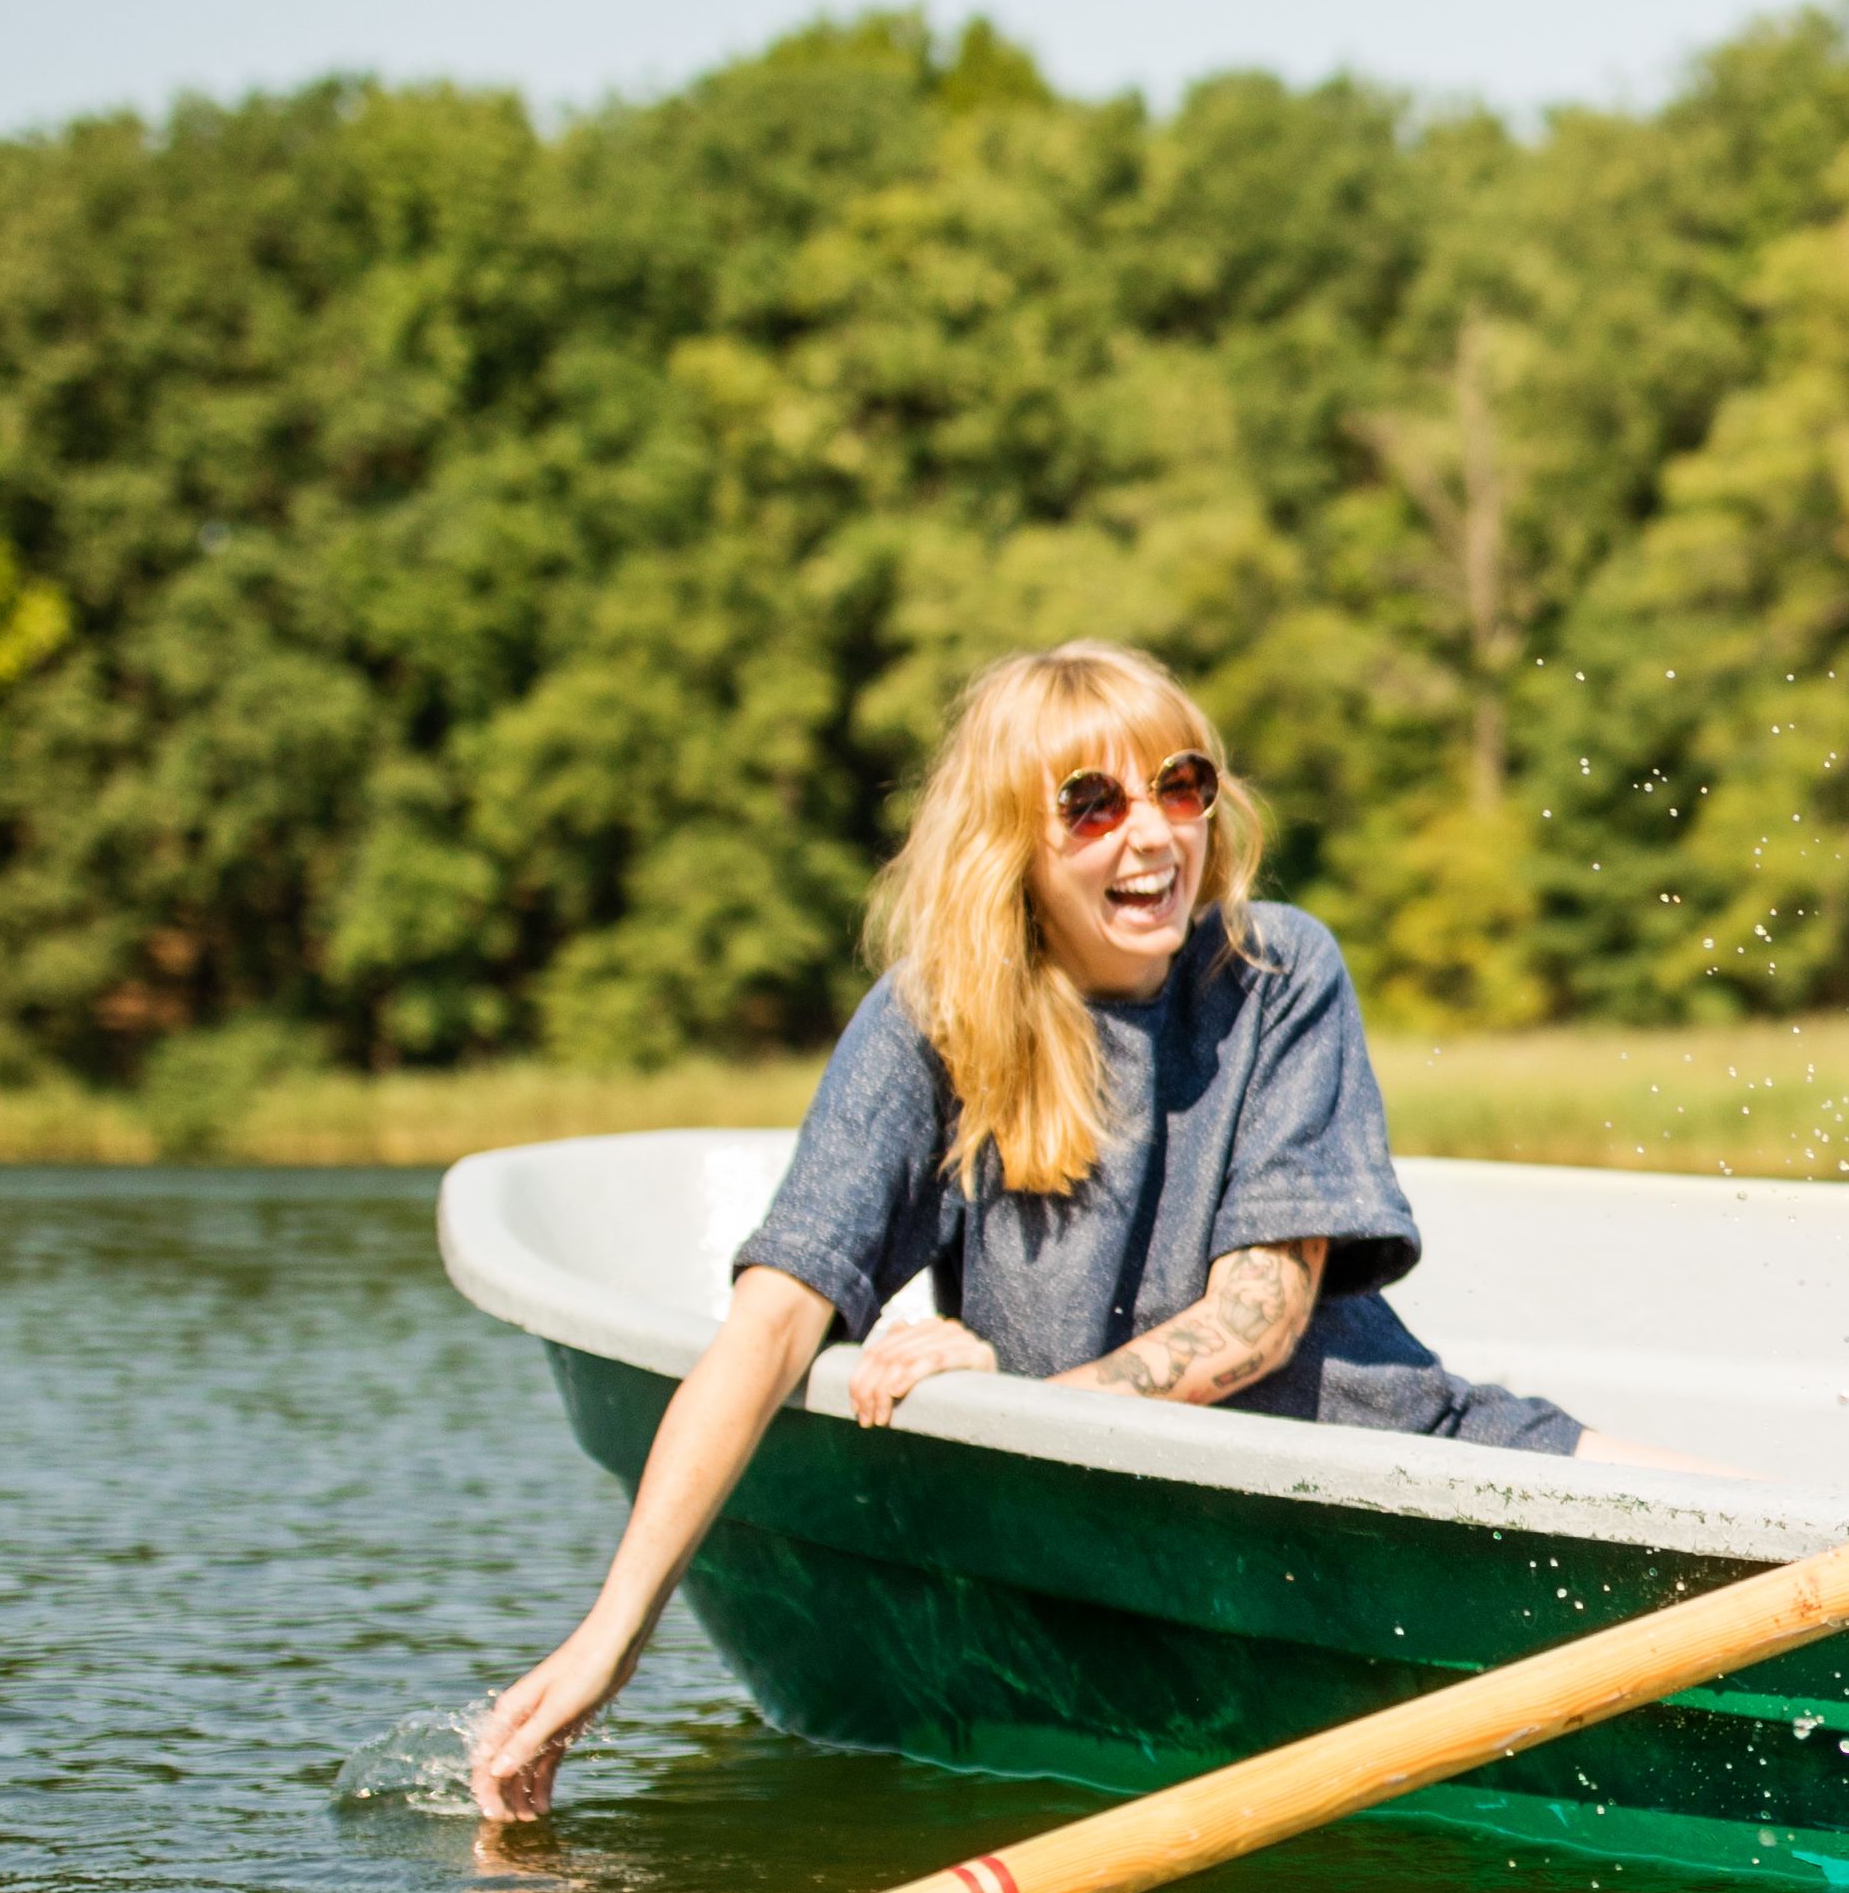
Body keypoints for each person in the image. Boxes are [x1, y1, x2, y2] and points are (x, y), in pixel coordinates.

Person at [467, 642, 1582, 1813]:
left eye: (1181, 786)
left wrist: (1018, 1405)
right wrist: (611, 1638)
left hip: (1399, 1463)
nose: (1150, 834)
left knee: (1731, 1514)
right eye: (1092, 804)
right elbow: (769, 1329)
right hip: (1132, 1545)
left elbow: (1260, 1314)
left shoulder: (1274, 970)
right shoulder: (934, 1024)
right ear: (1012, 842)